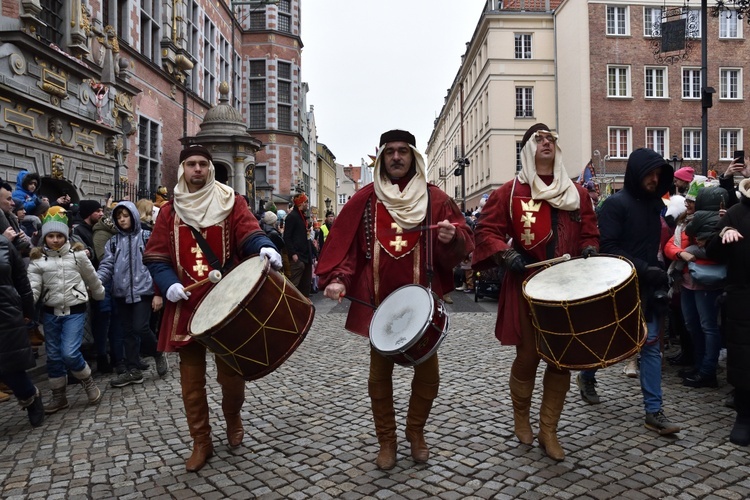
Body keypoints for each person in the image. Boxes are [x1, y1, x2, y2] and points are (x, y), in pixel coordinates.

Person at [316, 129, 474, 470]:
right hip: (378, 307)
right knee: (378, 378)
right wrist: (339, 278)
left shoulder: (436, 199)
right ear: (382, 157)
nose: (397, 157)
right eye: (390, 152)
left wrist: (452, 237)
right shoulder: (366, 200)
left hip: (423, 308)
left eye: (403, 151)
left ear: (413, 157)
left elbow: (462, 240)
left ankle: (415, 434)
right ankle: (387, 442)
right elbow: (350, 249)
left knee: (429, 376)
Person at [143, 144, 282, 472]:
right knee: (191, 382)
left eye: (203, 164)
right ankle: (201, 440)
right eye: (191, 164)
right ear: (183, 170)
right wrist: (167, 283)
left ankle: (232, 417)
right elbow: (157, 255)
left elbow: (249, 233)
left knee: (232, 377)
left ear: (210, 168)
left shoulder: (231, 202)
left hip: (225, 304)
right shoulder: (169, 212)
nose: (197, 170)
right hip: (186, 305)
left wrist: (265, 247)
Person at [472, 123, 599, 461]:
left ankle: (549, 430)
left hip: (566, 288)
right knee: (528, 356)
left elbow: (589, 231)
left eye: (551, 140)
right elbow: (486, 230)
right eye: (539, 139)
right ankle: (520, 417)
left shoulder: (576, 193)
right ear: (528, 149)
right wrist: (505, 253)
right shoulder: (510, 192)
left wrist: (588, 249)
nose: (546, 143)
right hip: (527, 284)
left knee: (561, 361)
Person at [578, 148, 681, 436]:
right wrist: (642, 267)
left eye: (658, 174)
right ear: (637, 173)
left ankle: (653, 411)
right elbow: (608, 247)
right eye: (649, 173)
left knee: (649, 346)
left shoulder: (653, 206)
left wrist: (655, 271)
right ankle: (586, 376)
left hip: (648, 288)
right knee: (608, 341)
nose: (654, 179)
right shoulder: (615, 205)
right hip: (619, 286)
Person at [27, 208, 106, 414]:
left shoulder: (78, 255)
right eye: (51, 236)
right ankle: (59, 396)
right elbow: (34, 287)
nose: (55, 240)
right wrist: (26, 305)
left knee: (69, 353)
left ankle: (87, 381)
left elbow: (92, 278)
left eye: (59, 236)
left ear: (65, 236)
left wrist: (99, 295)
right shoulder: (38, 260)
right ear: (45, 237)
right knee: (53, 356)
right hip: (50, 312)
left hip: (75, 309)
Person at [98, 201, 167, 387]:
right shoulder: (113, 243)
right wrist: (97, 281)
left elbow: (157, 263)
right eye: (119, 217)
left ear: (133, 216)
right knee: (128, 332)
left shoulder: (147, 237)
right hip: (121, 292)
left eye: (125, 216)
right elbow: (107, 266)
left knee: (140, 327)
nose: (122, 220)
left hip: (144, 290)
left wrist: (158, 292)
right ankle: (133, 369)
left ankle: (157, 351)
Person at [664, 184, 727, 388]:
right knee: (692, 325)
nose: (688, 203)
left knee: (708, 326)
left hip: (706, 280)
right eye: (687, 200)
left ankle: (708, 370)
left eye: (692, 201)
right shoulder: (684, 221)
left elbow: (714, 250)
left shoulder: (717, 219)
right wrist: (680, 253)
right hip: (687, 280)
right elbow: (670, 245)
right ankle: (699, 365)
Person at [705, 178, 750, 446]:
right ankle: (744, 415)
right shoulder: (735, 212)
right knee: (744, 358)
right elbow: (711, 251)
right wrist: (723, 236)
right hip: (743, 298)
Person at [0, 231, 44, 426]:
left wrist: (28, 311)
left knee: (9, 367)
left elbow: (22, 281)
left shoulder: (3, 245)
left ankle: (30, 396)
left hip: (5, 312)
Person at [284, 192, 314, 296]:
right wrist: (293, 253)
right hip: (298, 257)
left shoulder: (302, 217)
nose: (307, 204)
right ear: (301, 203)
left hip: (306, 257)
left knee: (305, 287)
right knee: (294, 287)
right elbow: (287, 237)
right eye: (306, 202)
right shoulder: (292, 217)